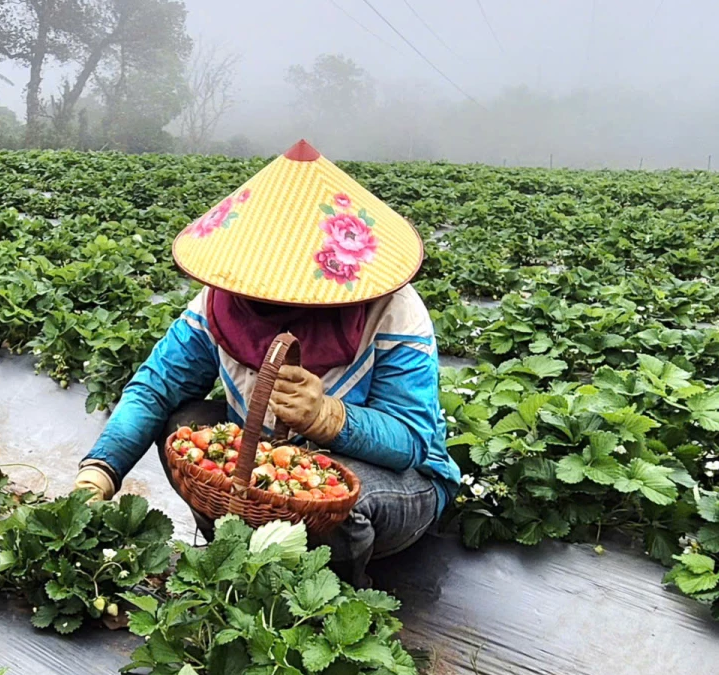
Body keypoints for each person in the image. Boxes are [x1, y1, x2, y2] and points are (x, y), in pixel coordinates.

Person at [74, 140, 457, 584]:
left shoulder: (391, 310)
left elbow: (410, 440)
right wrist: (99, 473)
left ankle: (329, 593)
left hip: (399, 484)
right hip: (268, 472)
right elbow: (156, 388)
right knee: (183, 425)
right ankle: (230, 558)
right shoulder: (223, 302)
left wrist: (328, 418)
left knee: (338, 504)